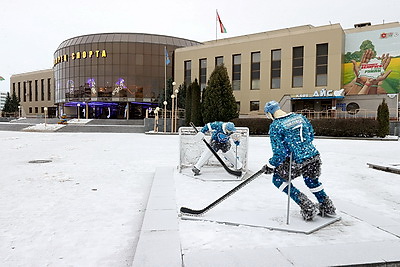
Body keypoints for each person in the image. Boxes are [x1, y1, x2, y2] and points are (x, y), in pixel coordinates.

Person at [263, 101, 336, 220]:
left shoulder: (276, 125)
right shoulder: (300, 117)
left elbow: (280, 153)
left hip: (296, 161)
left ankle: (306, 206)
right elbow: (310, 135)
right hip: (313, 156)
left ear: (270, 114)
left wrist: (271, 165)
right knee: (312, 181)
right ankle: (327, 205)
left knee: (277, 179)